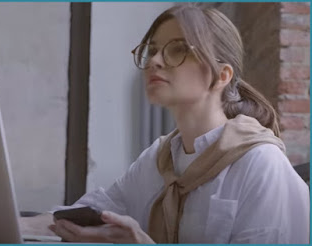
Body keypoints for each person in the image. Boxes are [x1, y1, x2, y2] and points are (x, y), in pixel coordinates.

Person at [20, 4, 310, 244]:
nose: (154, 61)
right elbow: (91, 212)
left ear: (221, 75)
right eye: (153, 49)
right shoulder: (158, 161)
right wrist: (16, 224)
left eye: (178, 49)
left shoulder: (261, 164)